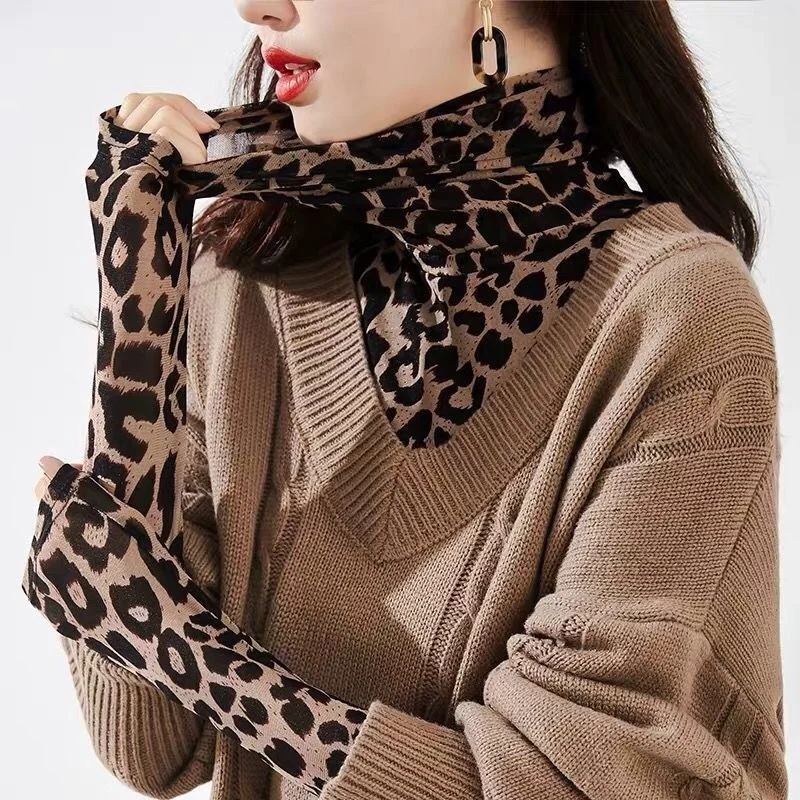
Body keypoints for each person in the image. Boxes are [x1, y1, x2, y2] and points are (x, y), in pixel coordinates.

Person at [26, 1, 787, 799]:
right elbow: (153, 746)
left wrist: (182, 646)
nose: (255, 6)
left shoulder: (674, 318)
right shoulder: (248, 271)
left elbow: (566, 785)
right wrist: (139, 288)